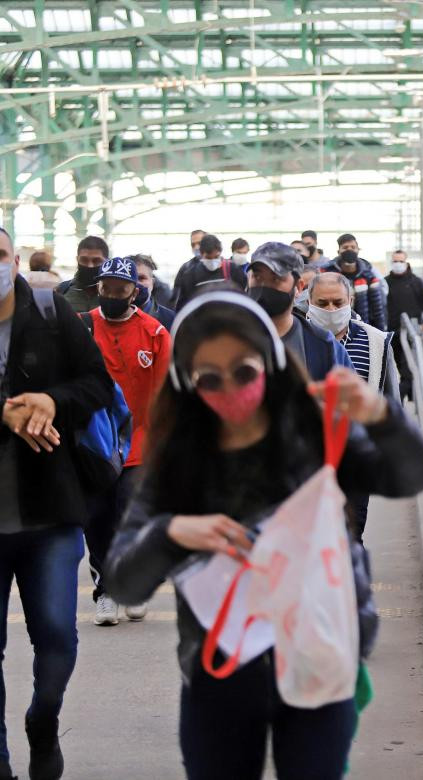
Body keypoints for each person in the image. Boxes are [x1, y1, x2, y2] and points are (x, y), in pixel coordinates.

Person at [103, 292, 423, 780]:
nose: (229, 388)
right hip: (220, 672)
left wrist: (382, 417)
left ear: (271, 363)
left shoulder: (314, 433)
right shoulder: (178, 463)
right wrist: (172, 532)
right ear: (187, 383)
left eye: (244, 370)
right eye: (209, 378)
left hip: (318, 659)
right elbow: (122, 582)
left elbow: (410, 477)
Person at [0, 227, 115, 780]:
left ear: (14, 260)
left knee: (56, 637)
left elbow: (96, 383)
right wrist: (4, 410)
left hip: (51, 511)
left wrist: (50, 399)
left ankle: (42, 723)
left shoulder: (50, 313)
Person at [83, 256, 172, 626]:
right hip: (95, 444)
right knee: (99, 519)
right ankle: (105, 592)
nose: (113, 295)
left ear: (135, 291)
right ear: (98, 289)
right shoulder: (82, 328)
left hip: (140, 443)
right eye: (107, 289)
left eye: (121, 290)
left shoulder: (154, 333)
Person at [306, 271, 400, 543]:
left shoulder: (377, 342)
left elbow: (388, 396)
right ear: (309, 302)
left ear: (351, 300)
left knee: (352, 528)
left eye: (338, 302)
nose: (331, 310)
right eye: (322, 304)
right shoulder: (295, 339)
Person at [246, 242, 352, 381]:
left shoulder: (323, 344)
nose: (265, 286)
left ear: (299, 286)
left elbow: (346, 398)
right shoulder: (231, 338)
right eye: (258, 277)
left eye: (276, 279)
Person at [385, 248, 423, 400]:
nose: (398, 264)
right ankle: (412, 395)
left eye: (401, 261)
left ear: (406, 262)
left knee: (409, 368)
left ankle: (398, 397)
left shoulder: (417, 282)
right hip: (393, 332)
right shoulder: (385, 283)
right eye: (395, 261)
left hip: (414, 332)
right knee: (401, 367)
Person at [320, 234, 387, 331]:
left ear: (358, 250)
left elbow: (378, 308)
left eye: (353, 247)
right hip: (333, 327)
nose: (349, 250)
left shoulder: (369, 275)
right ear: (339, 251)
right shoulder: (327, 272)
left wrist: (380, 332)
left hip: (364, 326)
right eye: (345, 247)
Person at [172, 233, 247, 311]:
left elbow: (243, 296)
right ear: (201, 254)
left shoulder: (233, 270)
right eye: (208, 257)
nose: (213, 261)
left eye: (216, 257)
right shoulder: (190, 275)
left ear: (220, 252)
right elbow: (183, 306)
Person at [56, 236, 108, 313]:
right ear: (77, 259)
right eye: (84, 260)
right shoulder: (62, 290)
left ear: (107, 262)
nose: (90, 265)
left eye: (96, 261)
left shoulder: (113, 294)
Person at [133, 254, 177, 330]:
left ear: (152, 282)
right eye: (132, 278)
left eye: (141, 278)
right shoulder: (110, 317)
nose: (137, 283)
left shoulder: (171, 320)